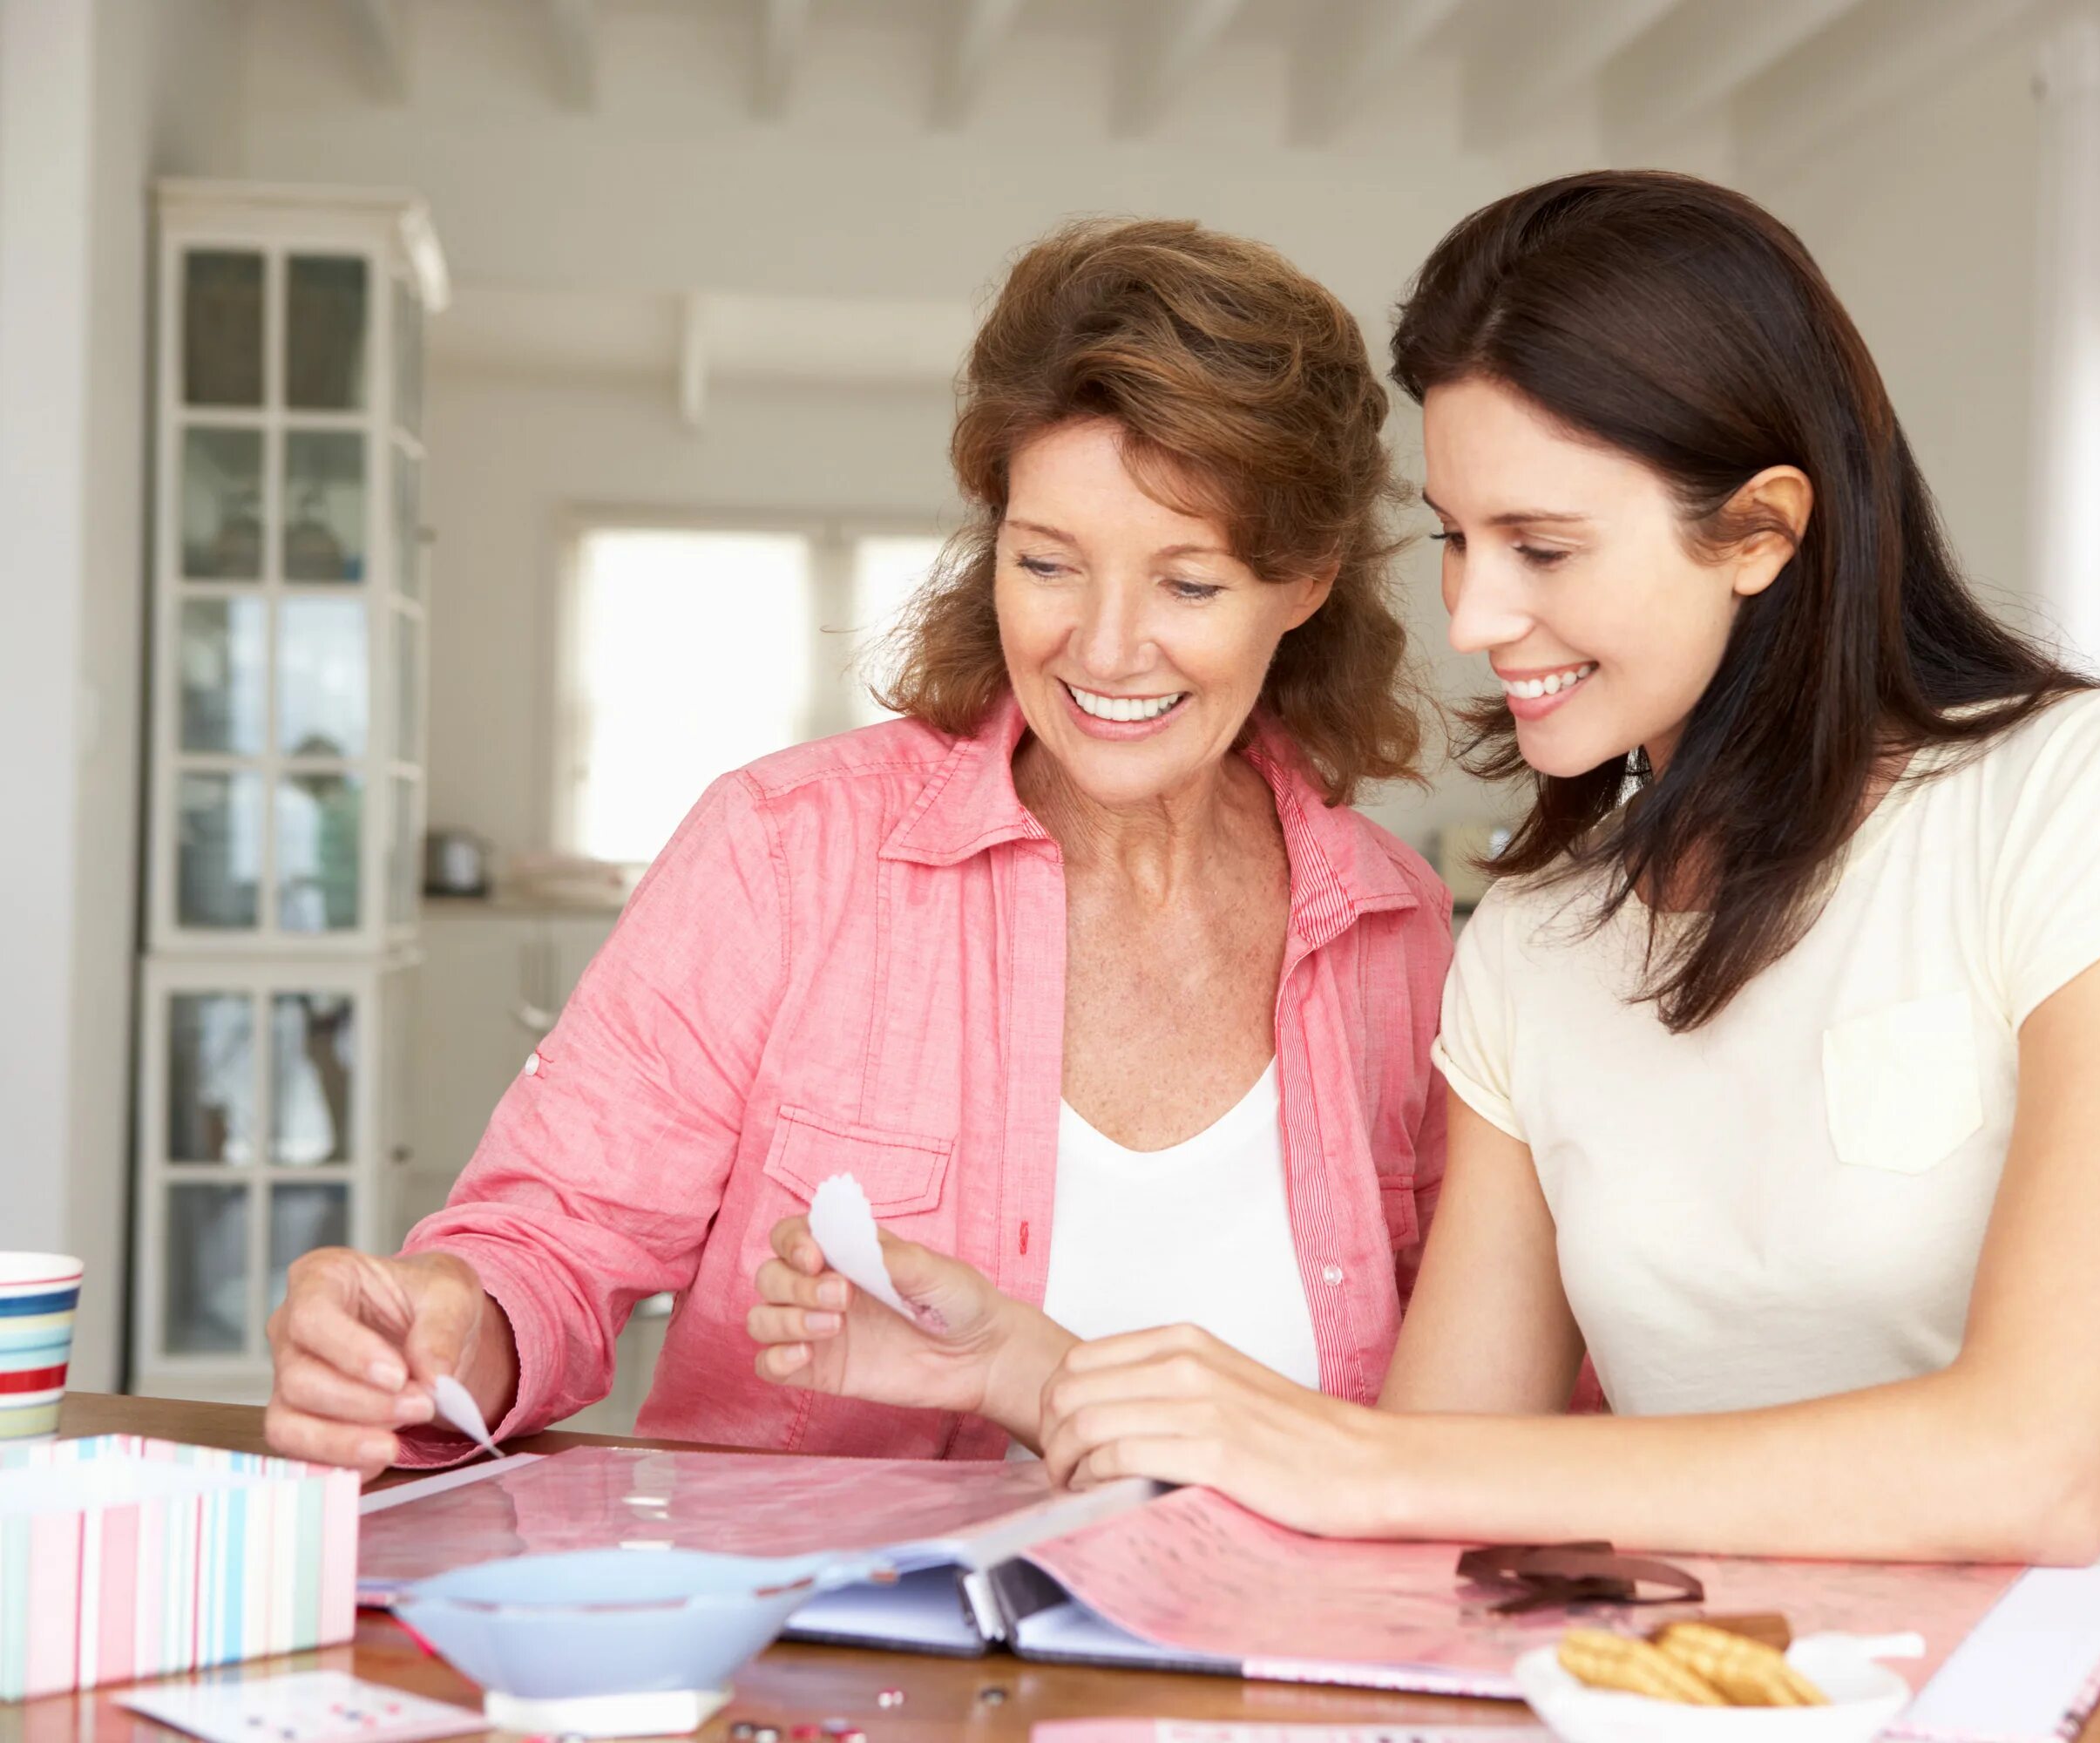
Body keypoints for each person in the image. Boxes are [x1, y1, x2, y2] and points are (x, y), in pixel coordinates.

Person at [823, 171, 2100, 1584]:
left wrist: (1381, 1467)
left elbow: (2036, 1473)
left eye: (1543, 548)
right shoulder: (1541, 942)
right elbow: (1429, 1485)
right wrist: (1037, 1374)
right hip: (1761, 1684)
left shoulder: (2072, 791)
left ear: (1759, 531)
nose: (1478, 615)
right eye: (1459, 538)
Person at [261, 217, 1451, 1475]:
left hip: (1276, 1658)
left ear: (1308, 581)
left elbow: (1478, 1399)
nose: (1103, 650)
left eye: (1189, 586)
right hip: (829, 1664)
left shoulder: (1395, 931)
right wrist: (451, 1325)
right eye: (1047, 563)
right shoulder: (786, 855)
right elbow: (553, 1241)